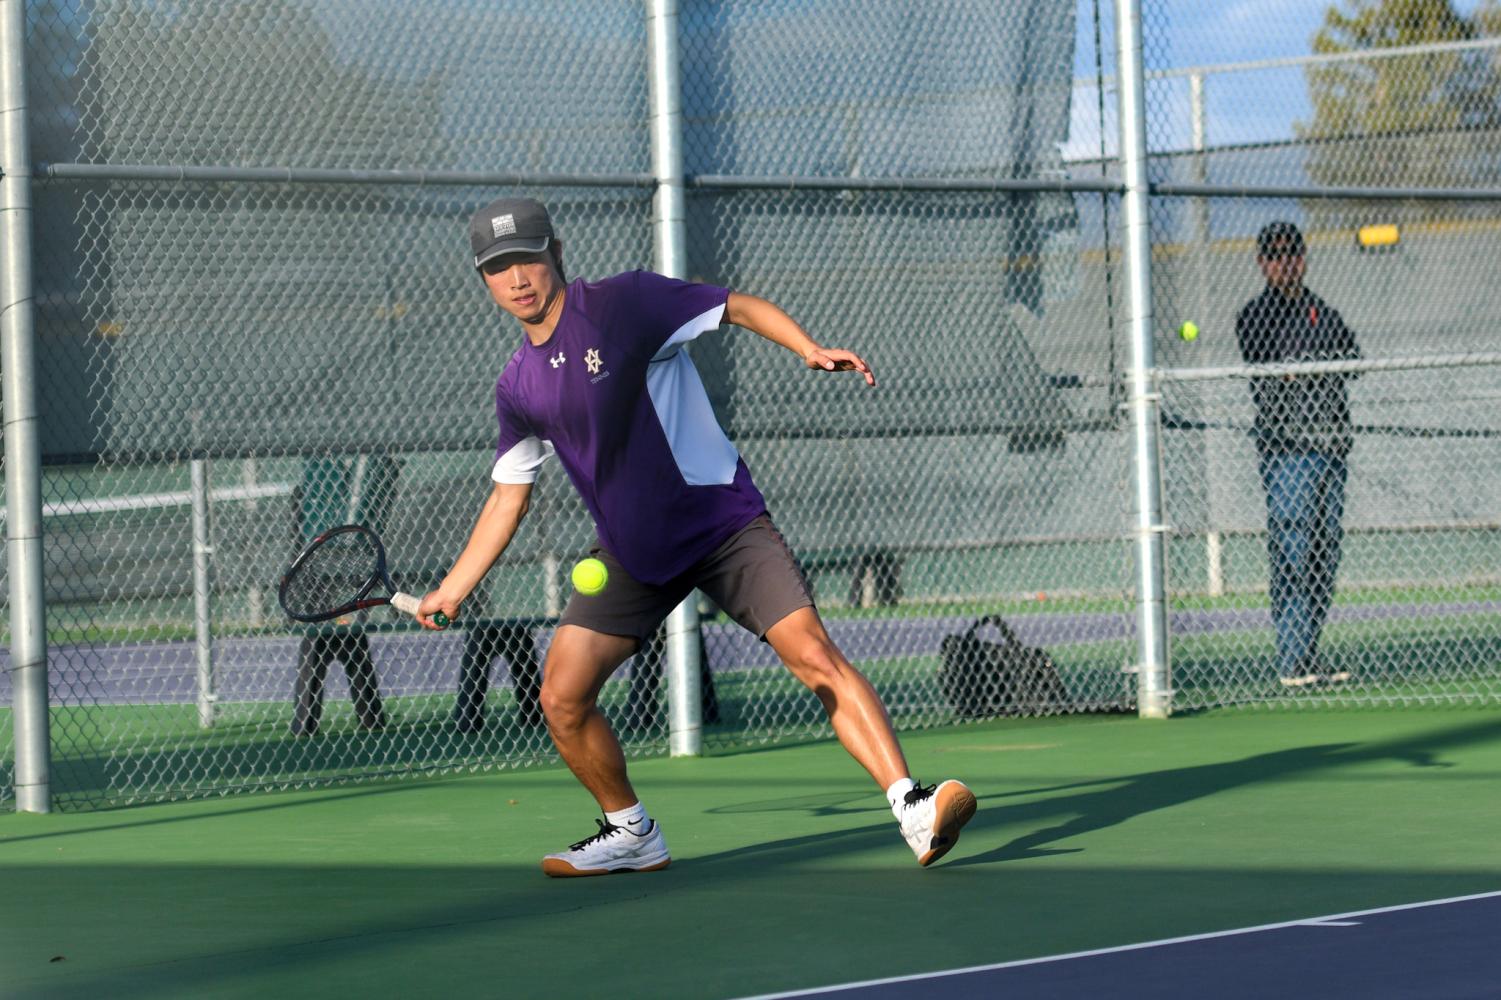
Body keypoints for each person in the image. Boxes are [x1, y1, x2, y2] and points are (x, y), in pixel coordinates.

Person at [416, 197, 975, 876]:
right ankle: (631, 833)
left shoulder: (623, 304)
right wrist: (451, 588)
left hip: (722, 525)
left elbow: (736, 306)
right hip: (632, 553)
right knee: (561, 697)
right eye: (498, 268)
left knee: (812, 653)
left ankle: (911, 805)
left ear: (556, 254)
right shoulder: (518, 385)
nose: (517, 278)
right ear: (483, 280)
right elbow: (509, 494)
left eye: (527, 259)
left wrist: (806, 347)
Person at [1235, 221, 1359, 689]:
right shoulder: (1256, 314)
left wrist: (1311, 367)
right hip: (1288, 451)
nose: (1287, 261)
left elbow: (1351, 355)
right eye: (1277, 254)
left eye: (1294, 253)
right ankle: (1291, 661)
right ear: (1263, 262)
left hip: (1330, 445)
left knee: (1325, 553)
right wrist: (1310, 367)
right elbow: (1270, 364)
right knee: (1293, 550)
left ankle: (1306, 655)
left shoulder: (1321, 310)